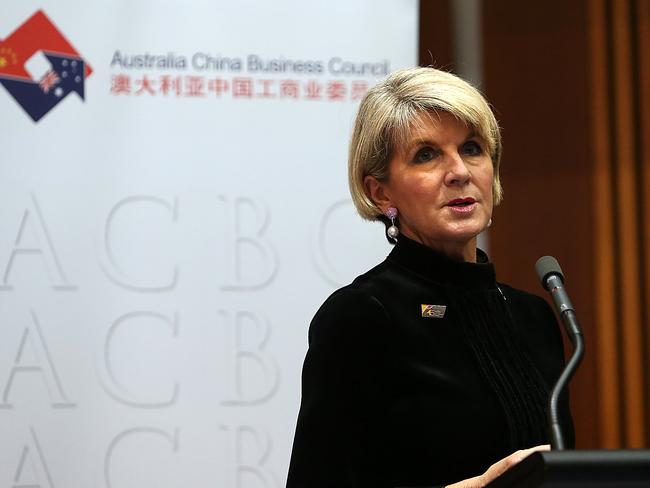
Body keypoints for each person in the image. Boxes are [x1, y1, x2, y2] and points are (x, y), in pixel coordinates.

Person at [286, 67, 574, 488]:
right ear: (380, 192)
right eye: (426, 155)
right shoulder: (362, 316)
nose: (459, 171)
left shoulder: (533, 318)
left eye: (472, 149)